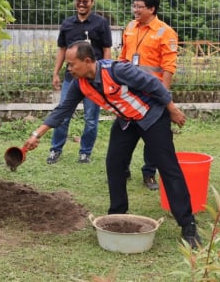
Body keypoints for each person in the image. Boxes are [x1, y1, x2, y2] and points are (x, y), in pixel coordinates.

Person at [23, 41, 201, 248]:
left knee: (168, 168)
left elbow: (153, 84)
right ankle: (117, 214)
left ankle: (188, 224)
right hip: (126, 122)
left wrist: (172, 109)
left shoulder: (118, 70)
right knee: (114, 164)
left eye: (72, 64)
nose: (68, 69)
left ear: (87, 61)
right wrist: (37, 134)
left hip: (152, 117)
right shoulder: (78, 83)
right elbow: (63, 110)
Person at [119, 0, 179, 190]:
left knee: (153, 135)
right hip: (129, 92)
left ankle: (149, 174)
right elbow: (123, 57)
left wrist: (163, 95)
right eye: (134, 6)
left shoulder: (165, 32)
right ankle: (122, 168)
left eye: (139, 7)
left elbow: (169, 66)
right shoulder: (129, 27)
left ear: (152, 9)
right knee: (124, 131)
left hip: (152, 94)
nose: (135, 10)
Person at [47, 0, 112, 165]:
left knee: (91, 118)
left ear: (92, 2)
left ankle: (85, 152)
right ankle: (55, 149)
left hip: (93, 80)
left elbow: (107, 49)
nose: (81, 4)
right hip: (71, 78)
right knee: (63, 114)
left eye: (85, 1)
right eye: (79, 1)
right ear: (75, 1)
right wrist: (56, 73)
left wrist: (106, 75)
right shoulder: (67, 24)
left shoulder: (101, 23)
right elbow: (62, 49)